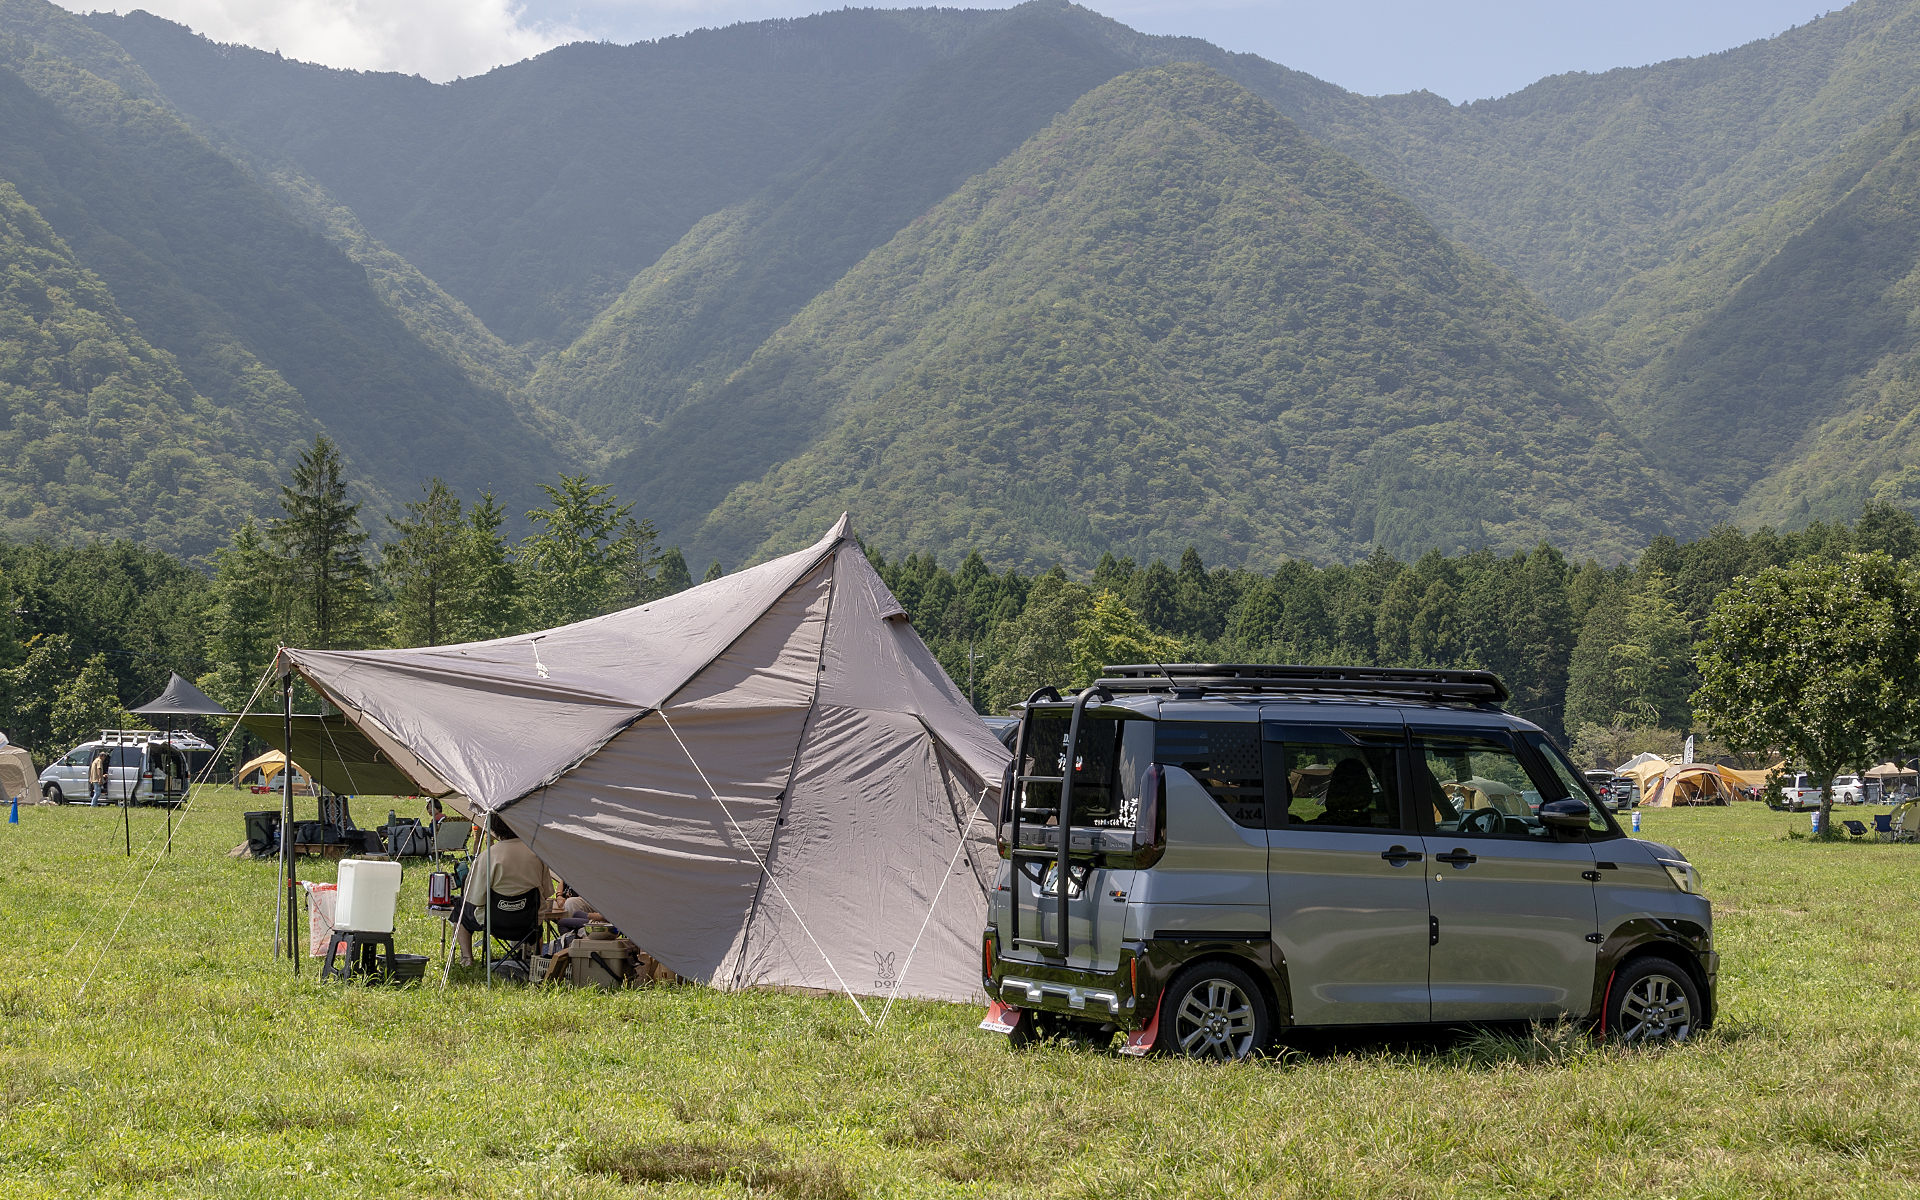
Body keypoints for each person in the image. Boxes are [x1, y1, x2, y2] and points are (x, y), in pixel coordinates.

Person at [451, 813, 551, 966]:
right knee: (535, 914)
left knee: (460, 907)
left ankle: (467, 958)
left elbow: (474, 897)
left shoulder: (487, 856)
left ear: (494, 828)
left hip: (494, 922)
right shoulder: (537, 854)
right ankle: (534, 959)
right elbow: (547, 891)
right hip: (528, 922)